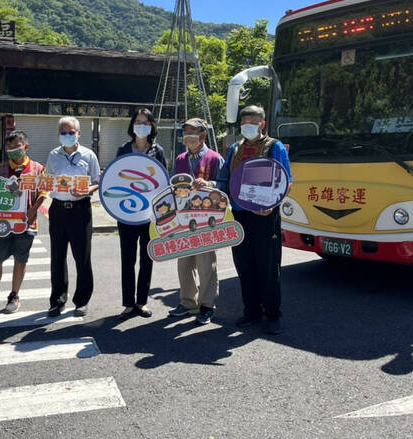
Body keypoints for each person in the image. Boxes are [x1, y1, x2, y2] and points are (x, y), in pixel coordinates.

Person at [216, 105, 292, 335]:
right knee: (244, 264)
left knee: (268, 266)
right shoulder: (234, 149)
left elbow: (286, 180)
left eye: (253, 121)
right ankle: (251, 311)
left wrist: (271, 205)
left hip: (264, 215)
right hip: (239, 214)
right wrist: (216, 194)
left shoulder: (274, 147)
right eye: (244, 122)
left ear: (263, 123)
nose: (248, 125)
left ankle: (272, 314)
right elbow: (224, 179)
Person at [0, 130, 46, 315]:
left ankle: (14, 295)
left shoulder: (38, 168)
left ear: (26, 147)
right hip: (2, 225)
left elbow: (44, 192)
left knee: (20, 260)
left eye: (16, 147)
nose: (13, 151)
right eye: (9, 148)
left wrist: (33, 210)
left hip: (26, 224)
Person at [169, 118, 225, 325]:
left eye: (193, 131)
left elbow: (224, 184)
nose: (188, 135)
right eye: (186, 131)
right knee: (184, 261)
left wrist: (209, 183)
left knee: (205, 263)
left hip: (207, 219)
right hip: (184, 217)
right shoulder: (181, 158)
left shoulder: (214, 158)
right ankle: (187, 302)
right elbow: (174, 185)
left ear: (203, 135)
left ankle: (207, 305)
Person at [115, 108, 167, 320]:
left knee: (147, 259)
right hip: (126, 213)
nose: (142, 125)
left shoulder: (158, 151)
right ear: (132, 124)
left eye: (146, 122)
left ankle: (142, 302)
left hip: (149, 215)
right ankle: (128, 303)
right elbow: (116, 179)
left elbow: (163, 182)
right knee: (127, 259)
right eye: (138, 121)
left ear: (152, 126)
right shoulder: (124, 149)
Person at [45, 116, 100, 318]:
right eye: (63, 133)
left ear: (78, 133)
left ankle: (82, 300)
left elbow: (97, 181)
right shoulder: (53, 155)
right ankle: (57, 300)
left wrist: (85, 191)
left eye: (71, 132)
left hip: (80, 210)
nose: (67, 136)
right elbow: (48, 180)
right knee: (57, 257)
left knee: (82, 257)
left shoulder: (89, 155)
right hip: (58, 209)